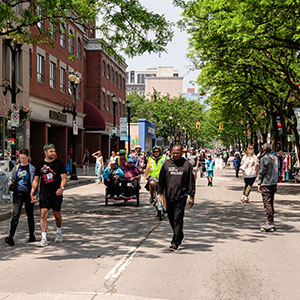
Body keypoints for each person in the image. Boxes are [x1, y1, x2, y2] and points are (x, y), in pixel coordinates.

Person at [157, 144, 195, 251]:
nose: (176, 155)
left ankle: (175, 242)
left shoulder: (187, 165)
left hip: (181, 196)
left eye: (178, 153)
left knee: (178, 218)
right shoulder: (166, 164)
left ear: (182, 153)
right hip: (169, 196)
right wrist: (159, 193)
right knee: (171, 218)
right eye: (174, 153)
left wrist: (191, 196)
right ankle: (179, 235)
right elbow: (162, 180)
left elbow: (191, 182)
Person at [30, 144, 66, 247]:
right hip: (44, 194)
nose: (53, 153)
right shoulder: (40, 165)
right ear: (45, 152)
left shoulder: (59, 164)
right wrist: (32, 192)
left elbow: (63, 178)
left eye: (54, 151)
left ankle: (58, 231)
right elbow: (36, 180)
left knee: (57, 215)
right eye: (51, 151)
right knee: (43, 214)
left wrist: (61, 188)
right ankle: (44, 238)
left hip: (56, 193)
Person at [5, 149, 36, 246]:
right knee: (15, 215)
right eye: (21, 158)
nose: (22, 160)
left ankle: (32, 235)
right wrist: (10, 182)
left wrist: (34, 195)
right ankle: (11, 236)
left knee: (30, 215)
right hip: (18, 194)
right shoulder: (16, 167)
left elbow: (35, 183)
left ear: (28, 157)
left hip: (28, 194)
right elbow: (12, 178)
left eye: (24, 158)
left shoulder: (32, 168)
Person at [257, 143, 278, 230]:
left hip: (266, 183)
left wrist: (259, 183)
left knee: (267, 203)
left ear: (264, 149)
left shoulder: (263, 158)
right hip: (274, 182)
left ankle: (270, 222)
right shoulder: (275, 158)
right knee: (271, 202)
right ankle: (271, 221)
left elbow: (261, 171)